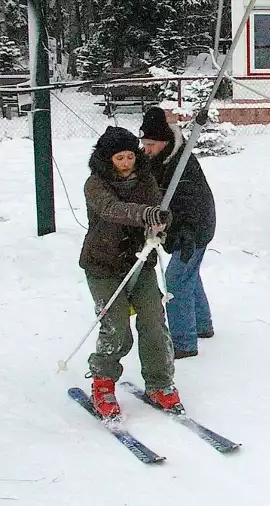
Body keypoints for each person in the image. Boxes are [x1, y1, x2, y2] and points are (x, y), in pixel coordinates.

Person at [79, 125, 182, 418]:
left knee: (153, 321)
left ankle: (160, 383)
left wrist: (161, 223)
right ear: (106, 159)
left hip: (140, 261)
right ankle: (102, 383)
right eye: (118, 159)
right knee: (117, 327)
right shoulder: (95, 185)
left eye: (129, 157)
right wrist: (145, 215)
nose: (125, 164)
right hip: (103, 265)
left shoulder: (145, 179)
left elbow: (157, 209)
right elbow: (113, 210)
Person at [139, 107, 216, 359]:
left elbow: (193, 202)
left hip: (194, 228)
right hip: (181, 227)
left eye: (151, 144)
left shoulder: (181, 163)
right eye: (144, 143)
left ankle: (183, 342)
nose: (146, 148)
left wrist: (186, 231)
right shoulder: (158, 159)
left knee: (176, 279)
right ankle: (203, 326)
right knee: (188, 274)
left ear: (164, 141)